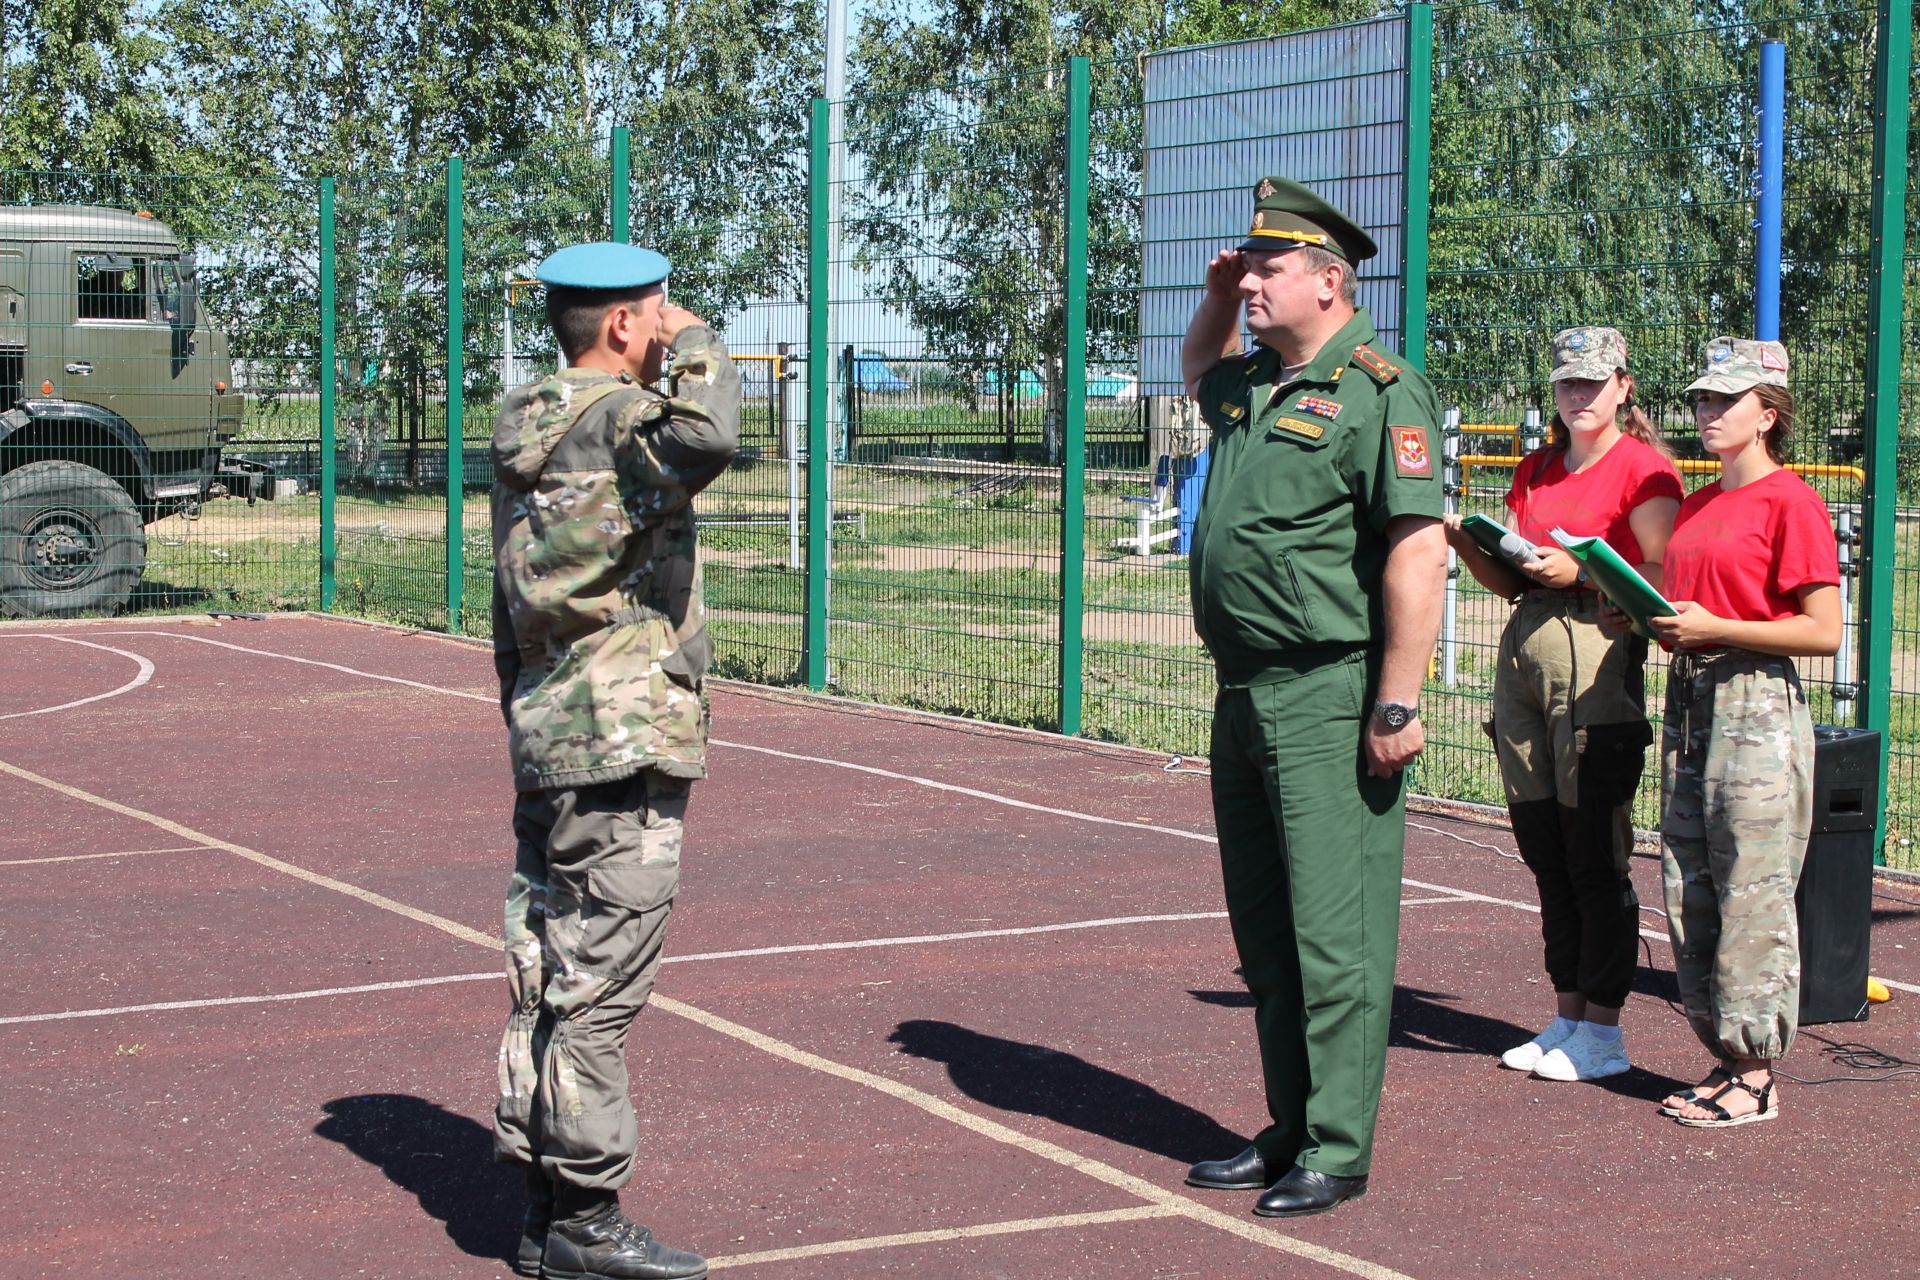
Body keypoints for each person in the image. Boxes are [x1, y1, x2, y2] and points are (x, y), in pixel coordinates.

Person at [1180, 176, 1447, 1217]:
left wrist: (1396, 701)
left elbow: (1416, 552)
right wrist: (1212, 296)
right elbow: (1195, 365)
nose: (1251, 280)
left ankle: (1338, 1142)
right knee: (1265, 929)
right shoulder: (1252, 382)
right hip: (1242, 691)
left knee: (1337, 932)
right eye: (1249, 266)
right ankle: (1288, 1124)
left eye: (1268, 267)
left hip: (1330, 691)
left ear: (1330, 283)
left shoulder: (1382, 391)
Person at [489, 241, 740, 1280]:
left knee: (551, 962)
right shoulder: (621, 423)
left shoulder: (531, 421)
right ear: (628, 325)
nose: (673, 323)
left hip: (551, 726)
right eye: (659, 311)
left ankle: (546, 1206)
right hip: (622, 734)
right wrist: (700, 343)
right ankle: (587, 1219)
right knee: (602, 978)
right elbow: (712, 432)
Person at [1443, 327, 1681, 1082]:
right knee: (1542, 843)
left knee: (1592, 848)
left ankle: (1604, 1030)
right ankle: (1567, 1013)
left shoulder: (1644, 473)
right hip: (1527, 646)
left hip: (1596, 657)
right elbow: (1515, 584)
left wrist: (1578, 566)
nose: (1577, 396)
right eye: (1566, 385)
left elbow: (1657, 575)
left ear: (1623, 386)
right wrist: (1472, 545)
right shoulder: (1536, 469)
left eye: (1592, 383)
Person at [1643, 337, 1839, 1128]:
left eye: (1727, 401)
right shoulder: (1697, 503)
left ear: (1769, 414)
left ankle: (1756, 1072)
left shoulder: (1791, 501)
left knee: (1752, 885)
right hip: (1692, 697)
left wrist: (1719, 625)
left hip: (1756, 704)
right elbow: (1688, 605)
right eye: (1702, 400)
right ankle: (1726, 1057)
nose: (1709, 413)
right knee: (1689, 877)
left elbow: (1822, 632)